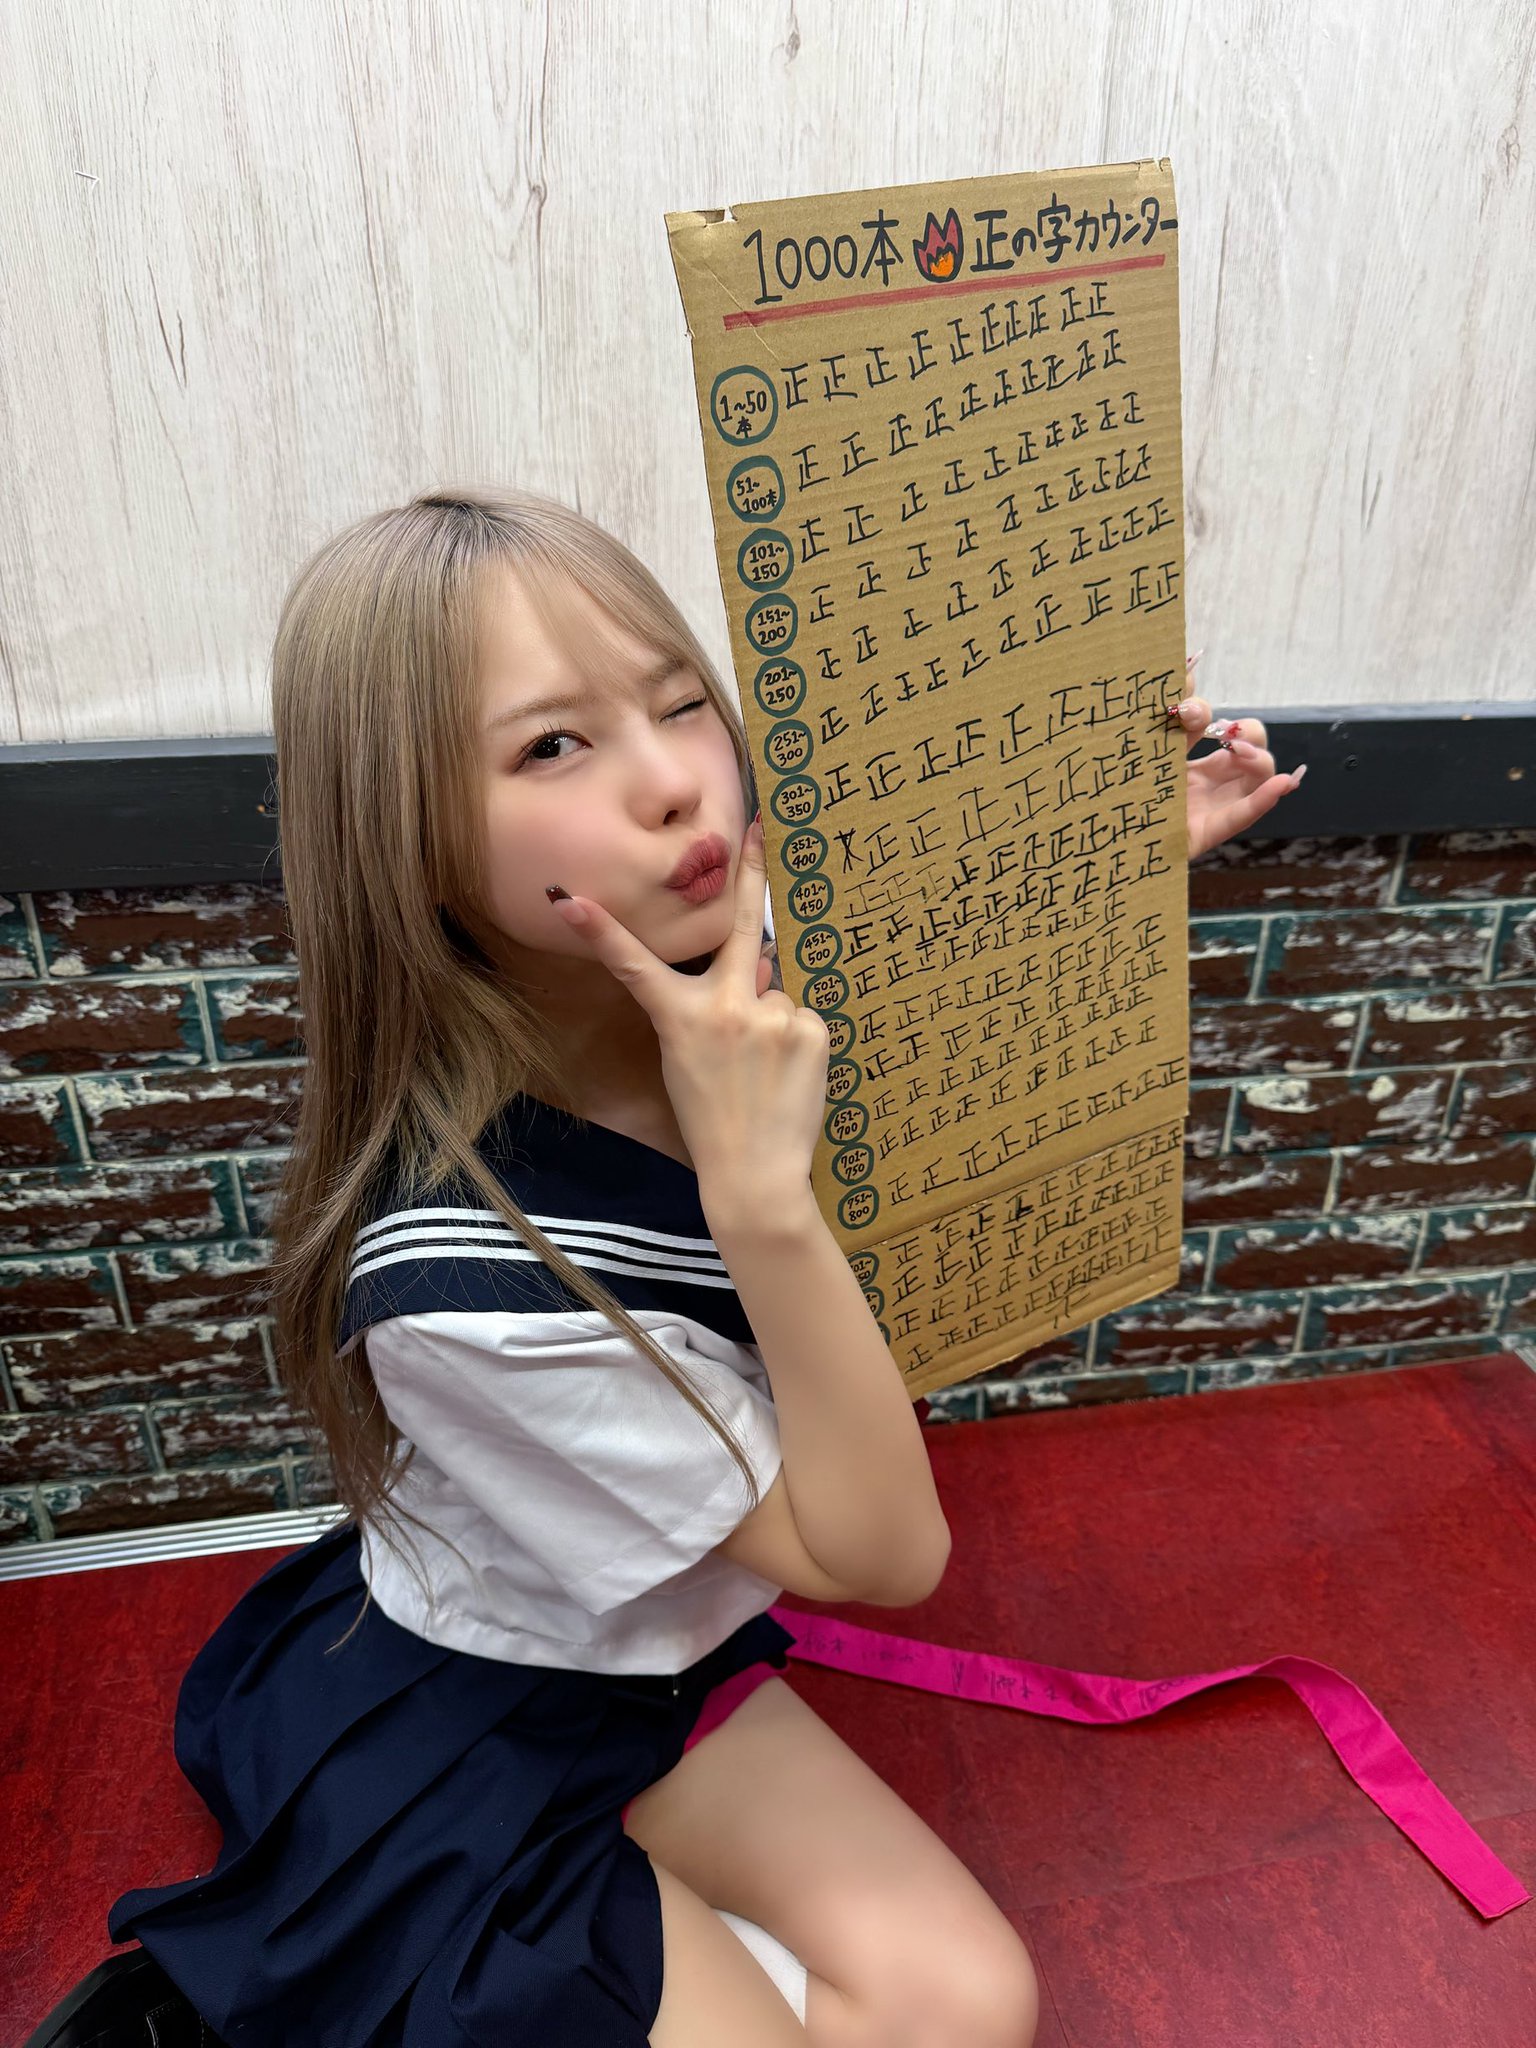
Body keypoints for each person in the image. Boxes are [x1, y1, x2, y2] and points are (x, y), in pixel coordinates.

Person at [26, 487, 1301, 2048]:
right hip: (477, 1697)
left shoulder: (737, 978)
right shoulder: (451, 1284)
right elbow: (881, 1556)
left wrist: (1105, 858)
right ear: (410, 840)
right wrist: (761, 1202)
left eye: (681, 699)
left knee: (972, 2007)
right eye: (552, 746)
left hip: (672, 1652)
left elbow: (938, 975)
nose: (672, 782)